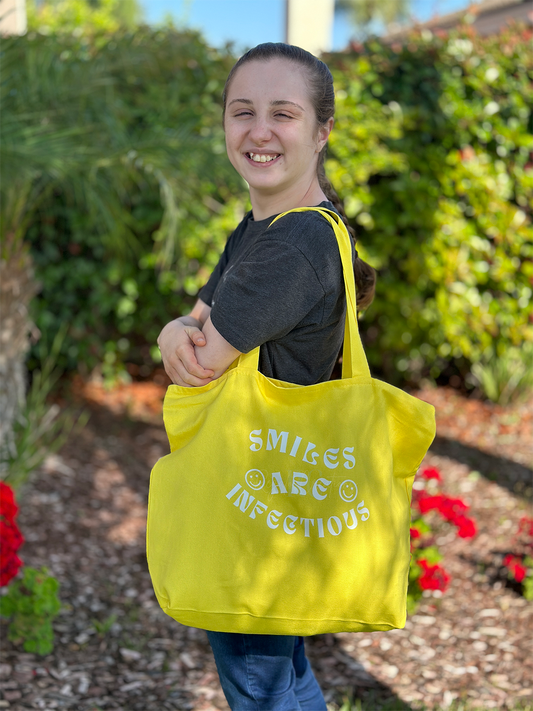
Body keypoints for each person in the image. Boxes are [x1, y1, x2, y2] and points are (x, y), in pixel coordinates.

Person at [157, 42, 376, 711]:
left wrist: (177, 337)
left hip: (259, 508)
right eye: (241, 111)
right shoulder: (260, 229)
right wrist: (173, 330)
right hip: (269, 488)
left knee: (262, 685)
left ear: (321, 132)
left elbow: (198, 359)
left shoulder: (292, 243)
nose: (257, 130)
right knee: (273, 674)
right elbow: (189, 327)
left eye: (281, 113)